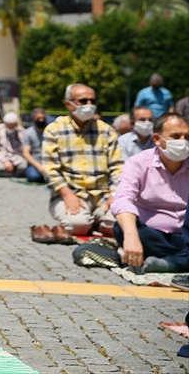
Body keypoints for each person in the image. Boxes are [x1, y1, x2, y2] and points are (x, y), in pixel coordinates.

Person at [111, 112, 189, 272]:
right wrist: (131, 236)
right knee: (122, 228)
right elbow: (123, 199)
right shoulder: (138, 163)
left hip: (185, 236)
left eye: (187, 136)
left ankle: (171, 263)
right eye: (176, 136)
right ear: (157, 139)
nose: (183, 142)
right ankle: (181, 259)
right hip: (153, 235)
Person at [42, 83, 124, 236]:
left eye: (92, 101)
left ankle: (98, 222)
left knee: (121, 225)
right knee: (78, 226)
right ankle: (89, 221)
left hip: (103, 194)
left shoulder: (106, 130)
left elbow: (118, 166)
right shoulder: (54, 130)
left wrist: (115, 194)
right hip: (71, 193)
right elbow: (50, 169)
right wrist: (66, 194)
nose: (89, 105)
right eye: (83, 101)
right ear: (69, 104)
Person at [0, 113, 43, 182]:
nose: (10, 127)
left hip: (17, 157)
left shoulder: (21, 131)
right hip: (1, 157)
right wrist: (5, 161)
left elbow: (25, 148)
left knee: (25, 166)